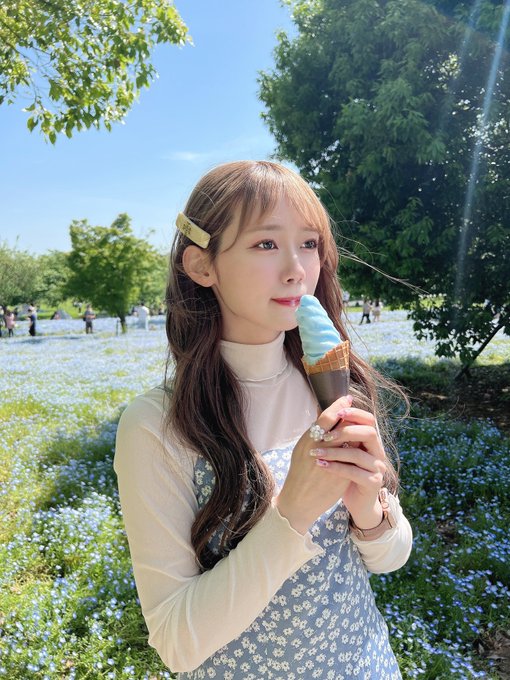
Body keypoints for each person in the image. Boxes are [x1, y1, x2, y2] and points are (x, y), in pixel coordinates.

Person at [114, 161, 412, 679]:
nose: (297, 269)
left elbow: (389, 558)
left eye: (309, 244)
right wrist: (292, 511)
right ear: (202, 265)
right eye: (266, 244)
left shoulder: (333, 387)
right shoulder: (155, 425)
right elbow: (177, 644)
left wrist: (369, 510)